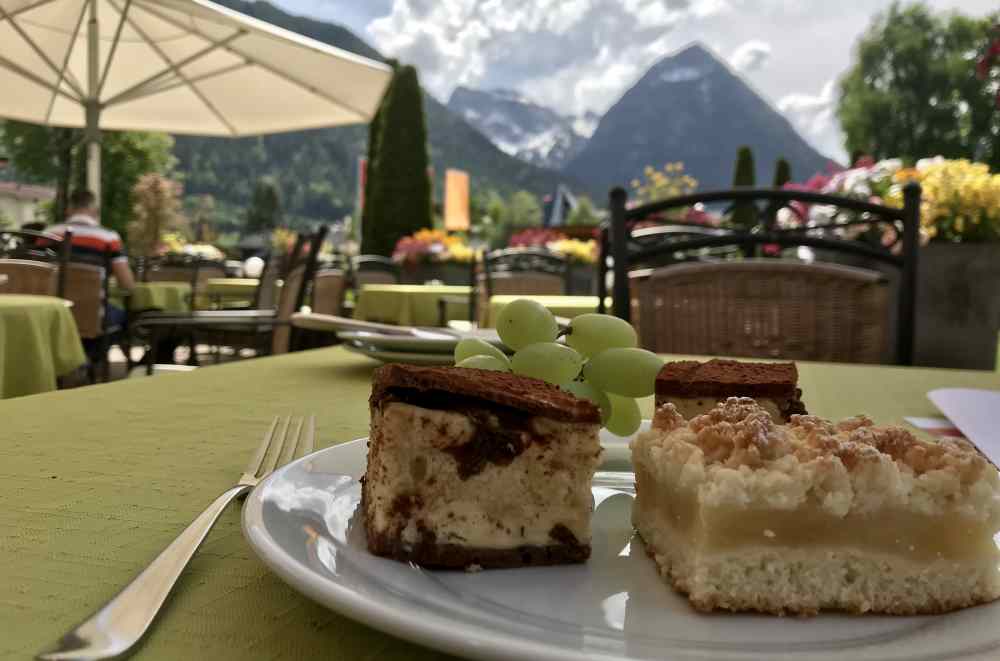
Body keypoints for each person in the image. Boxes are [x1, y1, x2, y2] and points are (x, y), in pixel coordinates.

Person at [46, 189, 135, 328]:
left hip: (52, 315)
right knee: (127, 318)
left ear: (69, 209)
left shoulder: (48, 234)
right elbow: (127, 284)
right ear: (94, 210)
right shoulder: (109, 238)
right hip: (95, 316)